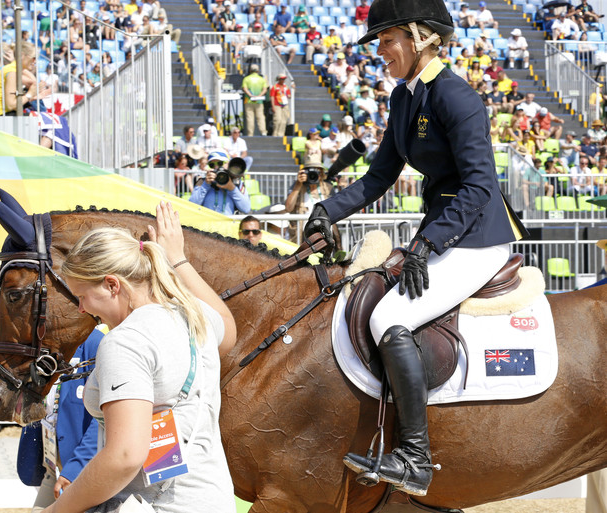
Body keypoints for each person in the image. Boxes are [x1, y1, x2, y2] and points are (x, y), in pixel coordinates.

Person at [303, 0, 528, 496]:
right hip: (443, 231)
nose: (380, 52)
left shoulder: (457, 97)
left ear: (419, 37)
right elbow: (381, 174)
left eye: (387, 41)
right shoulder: (403, 98)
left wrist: (426, 244)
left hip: (476, 238)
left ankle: (416, 458)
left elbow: (478, 187)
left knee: (388, 319)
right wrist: (328, 209)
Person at [48, 201, 236, 513]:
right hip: (212, 499)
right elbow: (227, 328)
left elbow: (125, 456)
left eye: (82, 296)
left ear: (112, 285)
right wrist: (177, 260)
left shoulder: (125, 342)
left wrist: (57, 510)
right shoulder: (194, 315)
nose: (81, 309)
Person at [18, 329, 102, 512]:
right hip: (52, 463)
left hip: (82, 467)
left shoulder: (96, 344)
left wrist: (75, 468)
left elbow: (104, 419)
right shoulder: (41, 343)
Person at [189, 149, 251, 215]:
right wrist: (206, 185)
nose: (216, 167)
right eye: (212, 165)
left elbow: (246, 208)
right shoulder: (202, 181)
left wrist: (232, 188)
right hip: (207, 224)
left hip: (228, 224)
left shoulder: (237, 182)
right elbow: (191, 205)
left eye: (220, 163)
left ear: (228, 164)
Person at [242, 63, 268, 136]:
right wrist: (259, 95)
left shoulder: (246, 78)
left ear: (250, 70)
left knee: (250, 118)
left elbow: (244, 88)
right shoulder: (261, 79)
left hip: (248, 100)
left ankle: (250, 134)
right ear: (258, 70)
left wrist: (251, 96)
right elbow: (265, 89)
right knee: (260, 117)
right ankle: (263, 132)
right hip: (259, 101)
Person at [270, 72, 292, 137]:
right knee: (277, 119)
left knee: (284, 120)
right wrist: (273, 106)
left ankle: (281, 134)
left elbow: (289, 96)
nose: (283, 80)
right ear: (279, 79)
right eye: (281, 79)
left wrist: (289, 94)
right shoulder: (274, 87)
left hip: (285, 104)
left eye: (284, 79)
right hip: (277, 104)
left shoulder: (286, 87)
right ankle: (275, 134)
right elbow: (272, 97)